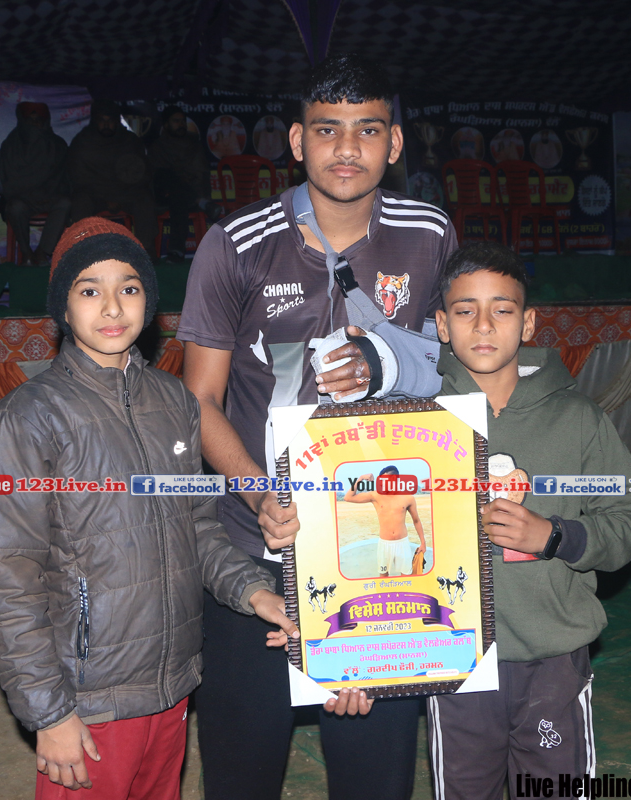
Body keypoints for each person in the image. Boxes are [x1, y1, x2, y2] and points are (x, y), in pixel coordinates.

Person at [178, 54, 459, 800]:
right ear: (297, 141)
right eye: (327, 130)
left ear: (395, 144)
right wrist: (256, 494)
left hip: (384, 557)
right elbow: (199, 399)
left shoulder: (429, 235)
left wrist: (386, 364)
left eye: (368, 130)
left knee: (374, 778)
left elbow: (459, 367)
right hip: (260, 551)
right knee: (242, 774)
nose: (347, 148)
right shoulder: (236, 244)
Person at [0, 216, 298, 800]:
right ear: (63, 307)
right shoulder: (30, 417)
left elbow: (198, 529)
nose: (112, 307)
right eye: (89, 290)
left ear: (148, 301)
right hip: (88, 697)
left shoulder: (175, 403)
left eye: (128, 287)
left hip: (171, 685)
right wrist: (48, 712)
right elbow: (8, 577)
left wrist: (254, 592)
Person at [428, 242, 631, 794]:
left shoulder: (577, 418)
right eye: (465, 310)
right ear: (441, 325)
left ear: (528, 323)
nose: (484, 325)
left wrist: (555, 536)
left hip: (553, 656)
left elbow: (627, 517)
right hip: (455, 658)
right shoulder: (416, 420)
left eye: (502, 309)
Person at [67, 100, 158, 258]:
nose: (106, 124)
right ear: (94, 121)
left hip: (125, 193)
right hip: (94, 194)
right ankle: (83, 253)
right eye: (102, 120)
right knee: (80, 202)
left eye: (110, 120)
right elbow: (78, 177)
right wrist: (106, 198)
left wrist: (120, 195)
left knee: (144, 199)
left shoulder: (130, 141)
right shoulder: (83, 142)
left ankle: (145, 251)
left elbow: (141, 174)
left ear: (117, 121)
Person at [0, 102, 71, 267]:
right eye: (30, 121)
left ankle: (43, 252)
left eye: (38, 120)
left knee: (65, 203)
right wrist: (22, 193)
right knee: (15, 207)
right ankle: (26, 253)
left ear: (45, 121)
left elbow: (67, 179)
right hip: (22, 199)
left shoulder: (58, 145)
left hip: (49, 197)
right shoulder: (10, 146)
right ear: (23, 122)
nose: (35, 125)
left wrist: (49, 193)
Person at [149, 107, 212, 261]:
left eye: (183, 121)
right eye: (176, 121)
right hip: (164, 194)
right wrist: (180, 176)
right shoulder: (158, 146)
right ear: (166, 125)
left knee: (178, 195)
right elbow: (155, 175)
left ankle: (176, 251)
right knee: (166, 177)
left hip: (191, 191)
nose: (181, 124)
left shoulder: (194, 145)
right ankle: (200, 202)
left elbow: (200, 172)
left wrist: (184, 179)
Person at [341, 465, 427, 577]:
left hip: (402, 543)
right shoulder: (375, 495)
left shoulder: (408, 497)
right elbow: (348, 497)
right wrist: (361, 478)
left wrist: (423, 543)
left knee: (406, 577)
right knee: (383, 577)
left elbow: (416, 521)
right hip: (384, 544)